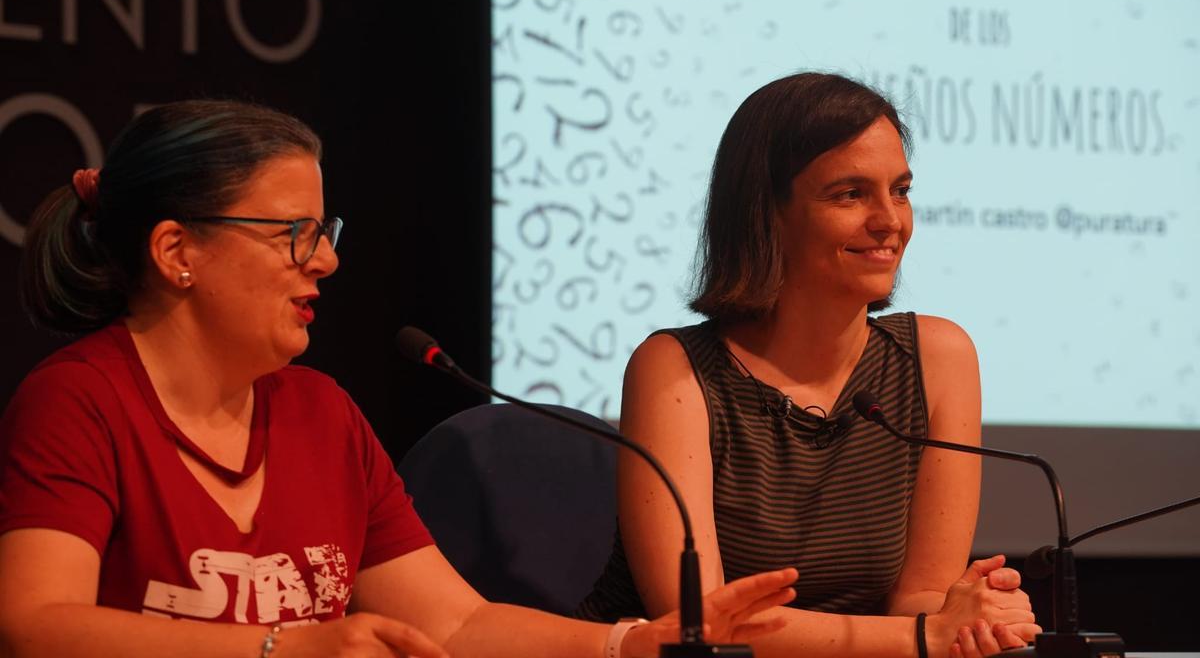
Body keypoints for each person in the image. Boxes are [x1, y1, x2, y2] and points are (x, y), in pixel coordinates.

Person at [0, 100, 799, 658]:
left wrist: (627, 644)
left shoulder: (321, 413)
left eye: (324, 232)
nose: (326, 261)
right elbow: (33, 628)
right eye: (293, 234)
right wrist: (285, 648)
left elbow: (455, 626)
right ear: (178, 253)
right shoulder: (79, 401)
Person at [576, 73, 1041, 658]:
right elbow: (700, 625)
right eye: (850, 194)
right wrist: (927, 633)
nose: (890, 221)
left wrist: (971, 616)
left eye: (899, 190)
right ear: (767, 213)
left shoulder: (938, 359)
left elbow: (920, 595)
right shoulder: (673, 370)